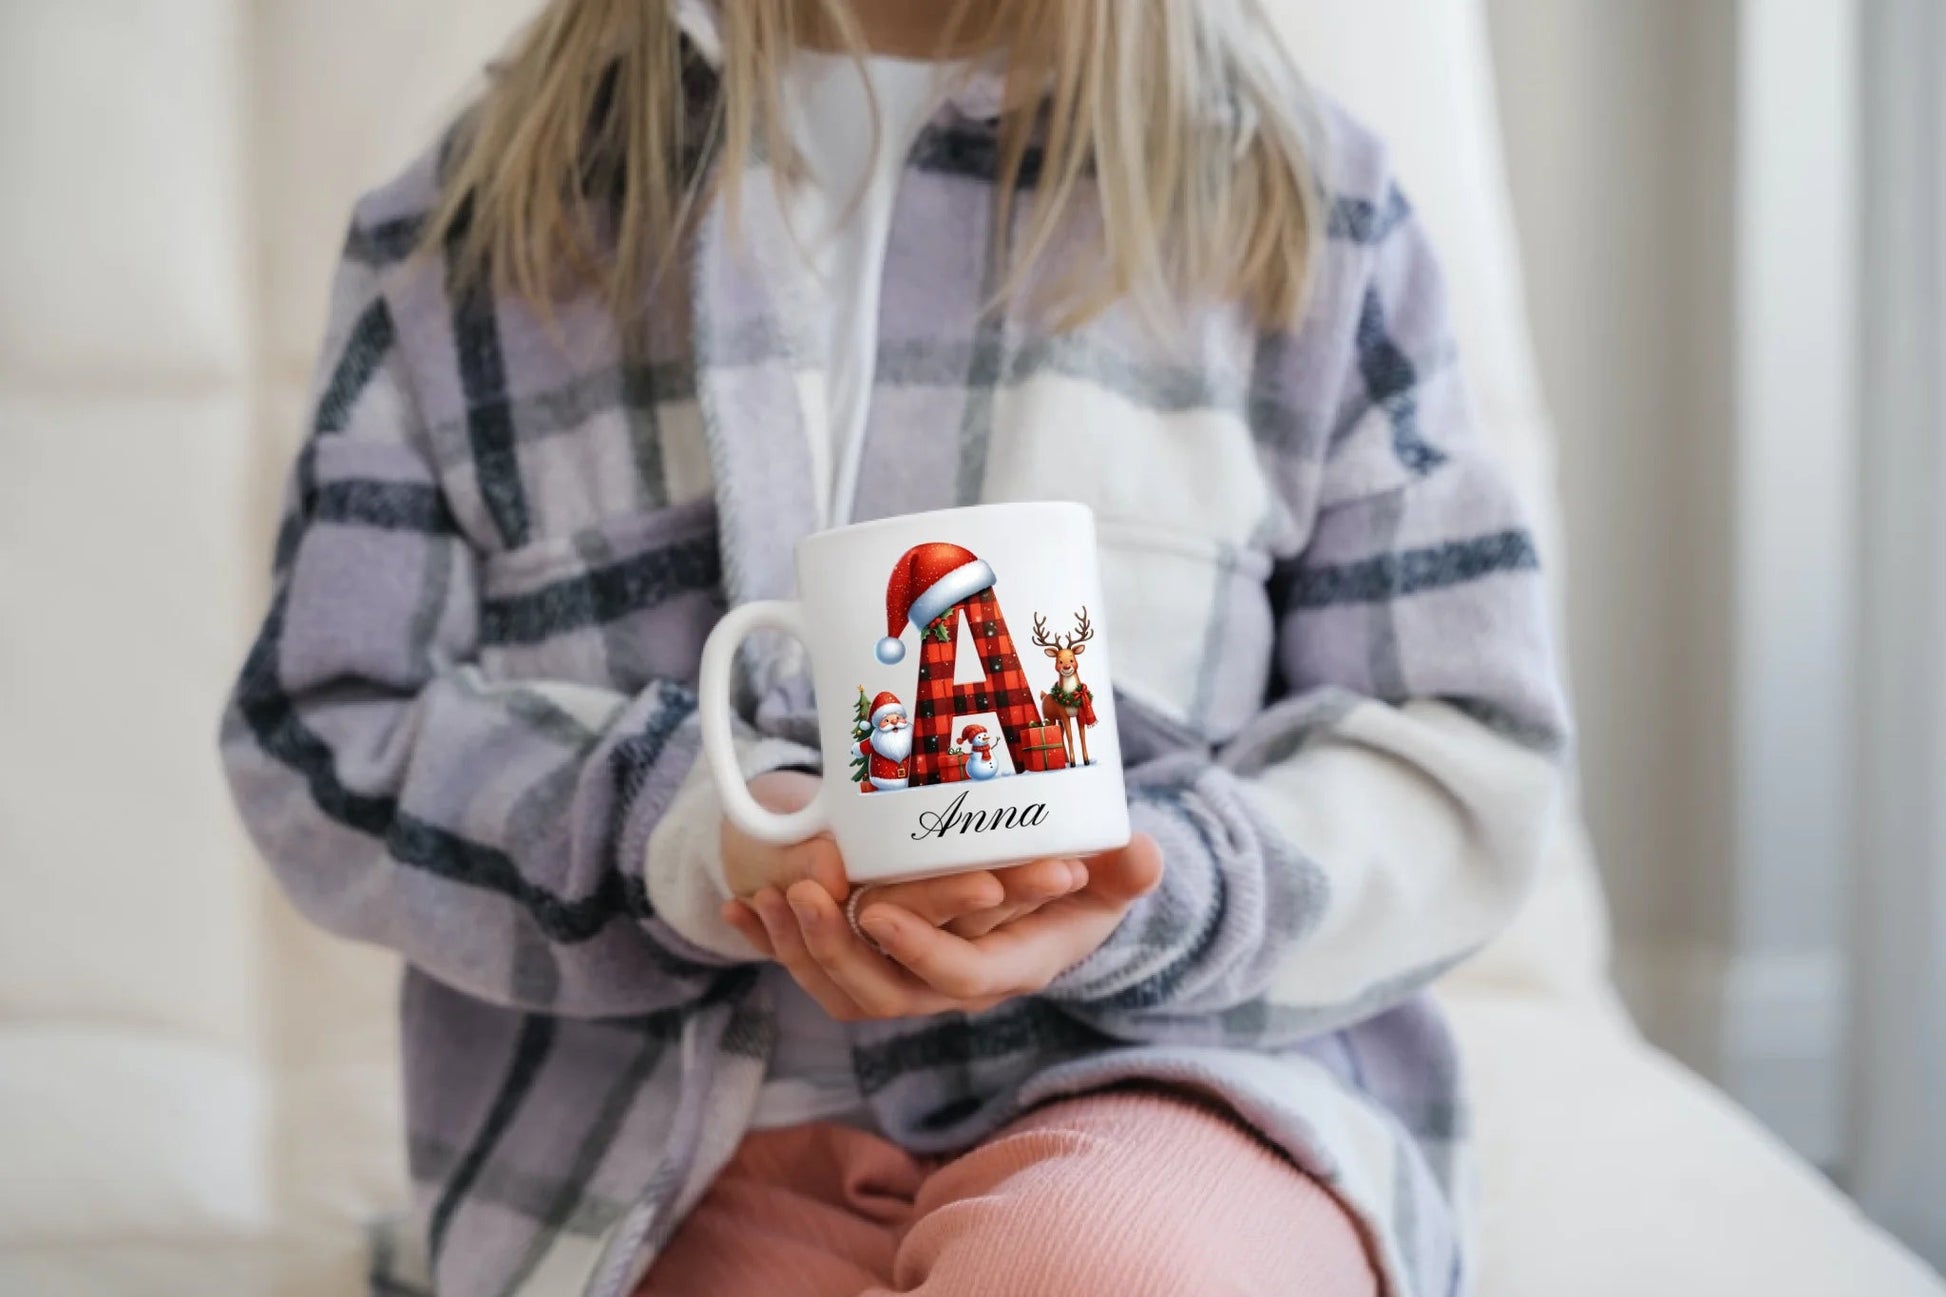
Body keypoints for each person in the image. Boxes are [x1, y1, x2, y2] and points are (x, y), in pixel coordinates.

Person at [219, 0, 1569, 1293]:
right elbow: (324, 733)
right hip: (659, 1156)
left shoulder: (1305, 211)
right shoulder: (463, 233)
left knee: (1097, 1269)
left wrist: (1158, 888)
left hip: (1175, 1095)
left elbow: (1458, 745)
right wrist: (686, 831)